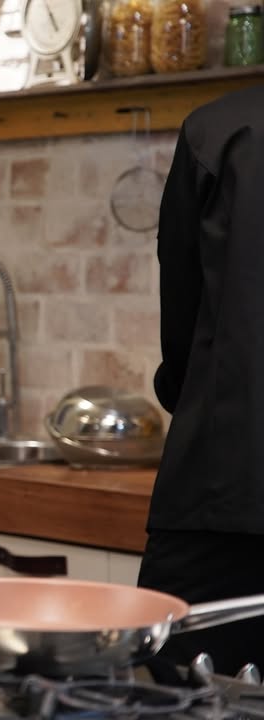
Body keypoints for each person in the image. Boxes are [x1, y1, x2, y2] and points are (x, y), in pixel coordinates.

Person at [138, 85, 264, 675]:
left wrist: (188, 397)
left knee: (177, 697)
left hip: (220, 496)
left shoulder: (218, 130)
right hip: (220, 496)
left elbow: (183, 322)